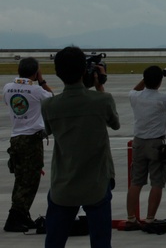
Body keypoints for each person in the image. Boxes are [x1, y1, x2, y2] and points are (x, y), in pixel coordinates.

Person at [40, 46, 119, 248]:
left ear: (58, 73)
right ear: (85, 70)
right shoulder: (102, 101)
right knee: (101, 242)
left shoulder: (49, 105)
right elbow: (115, 123)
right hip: (96, 184)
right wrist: (100, 86)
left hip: (63, 185)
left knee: (54, 241)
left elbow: (47, 130)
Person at [125, 64, 166, 229]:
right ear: (159, 82)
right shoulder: (162, 98)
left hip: (138, 142)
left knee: (136, 181)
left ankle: (131, 218)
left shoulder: (135, 96)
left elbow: (134, 90)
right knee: (157, 182)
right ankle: (150, 218)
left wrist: (146, 78)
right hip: (156, 143)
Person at [4, 57, 53, 232]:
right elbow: (53, 99)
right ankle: (16, 216)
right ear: (35, 72)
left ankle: (21, 214)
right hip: (31, 140)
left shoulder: (8, 87)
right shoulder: (37, 90)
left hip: (16, 139)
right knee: (30, 181)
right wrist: (42, 80)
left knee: (21, 179)